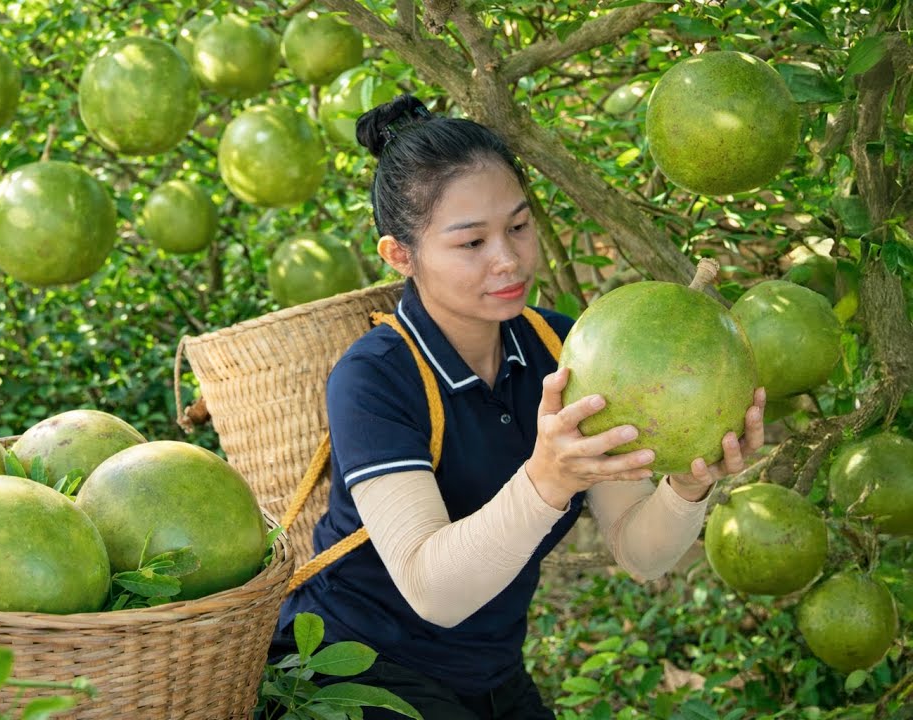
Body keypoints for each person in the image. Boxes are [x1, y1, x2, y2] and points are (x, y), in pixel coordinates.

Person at [270, 95, 766, 720]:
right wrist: (547, 480)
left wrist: (686, 489)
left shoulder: (564, 348)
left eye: (519, 227)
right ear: (400, 255)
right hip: (353, 672)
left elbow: (640, 552)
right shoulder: (374, 378)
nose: (507, 259)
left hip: (489, 671)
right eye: (472, 242)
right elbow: (433, 590)